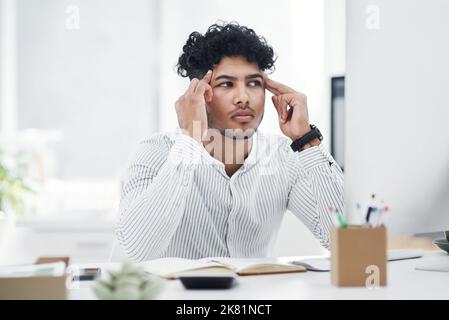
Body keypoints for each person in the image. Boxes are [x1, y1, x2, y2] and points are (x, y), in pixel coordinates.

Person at [115, 22, 344, 261]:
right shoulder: (154, 153)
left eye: (254, 83)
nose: (244, 97)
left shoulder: (283, 156)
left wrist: (306, 140)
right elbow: (137, 251)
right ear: (198, 94)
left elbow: (345, 242)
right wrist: (190, 139)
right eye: (227, 84)